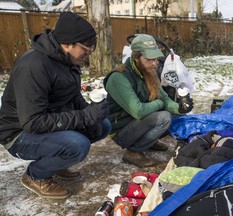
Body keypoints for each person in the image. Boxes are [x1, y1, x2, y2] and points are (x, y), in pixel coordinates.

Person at [0, 12, 111, 199]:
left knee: (101, 126)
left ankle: (58, 163)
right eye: (86, 48)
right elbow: (32, 122)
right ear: (67, 44)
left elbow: (73, 96)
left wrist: (91, 112)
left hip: (46, 123)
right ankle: (35, 175)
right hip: (18, 133)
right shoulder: (34, 66)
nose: (89, 53)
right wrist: (85, 117)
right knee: (77, 145)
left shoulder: (68, 60)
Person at [103, 34, 193, 167]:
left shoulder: (148, 71)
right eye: (149, 59)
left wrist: (180, 108)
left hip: (138, 123)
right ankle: (132, 152)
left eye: (156, 59)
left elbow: (165, 99)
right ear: (136, 57)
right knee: (164, 117)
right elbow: (138, 111)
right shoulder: (119, 77)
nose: (154, 63)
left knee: (177, 116)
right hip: (121, 130)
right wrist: (161, 104)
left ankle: (149, 142)